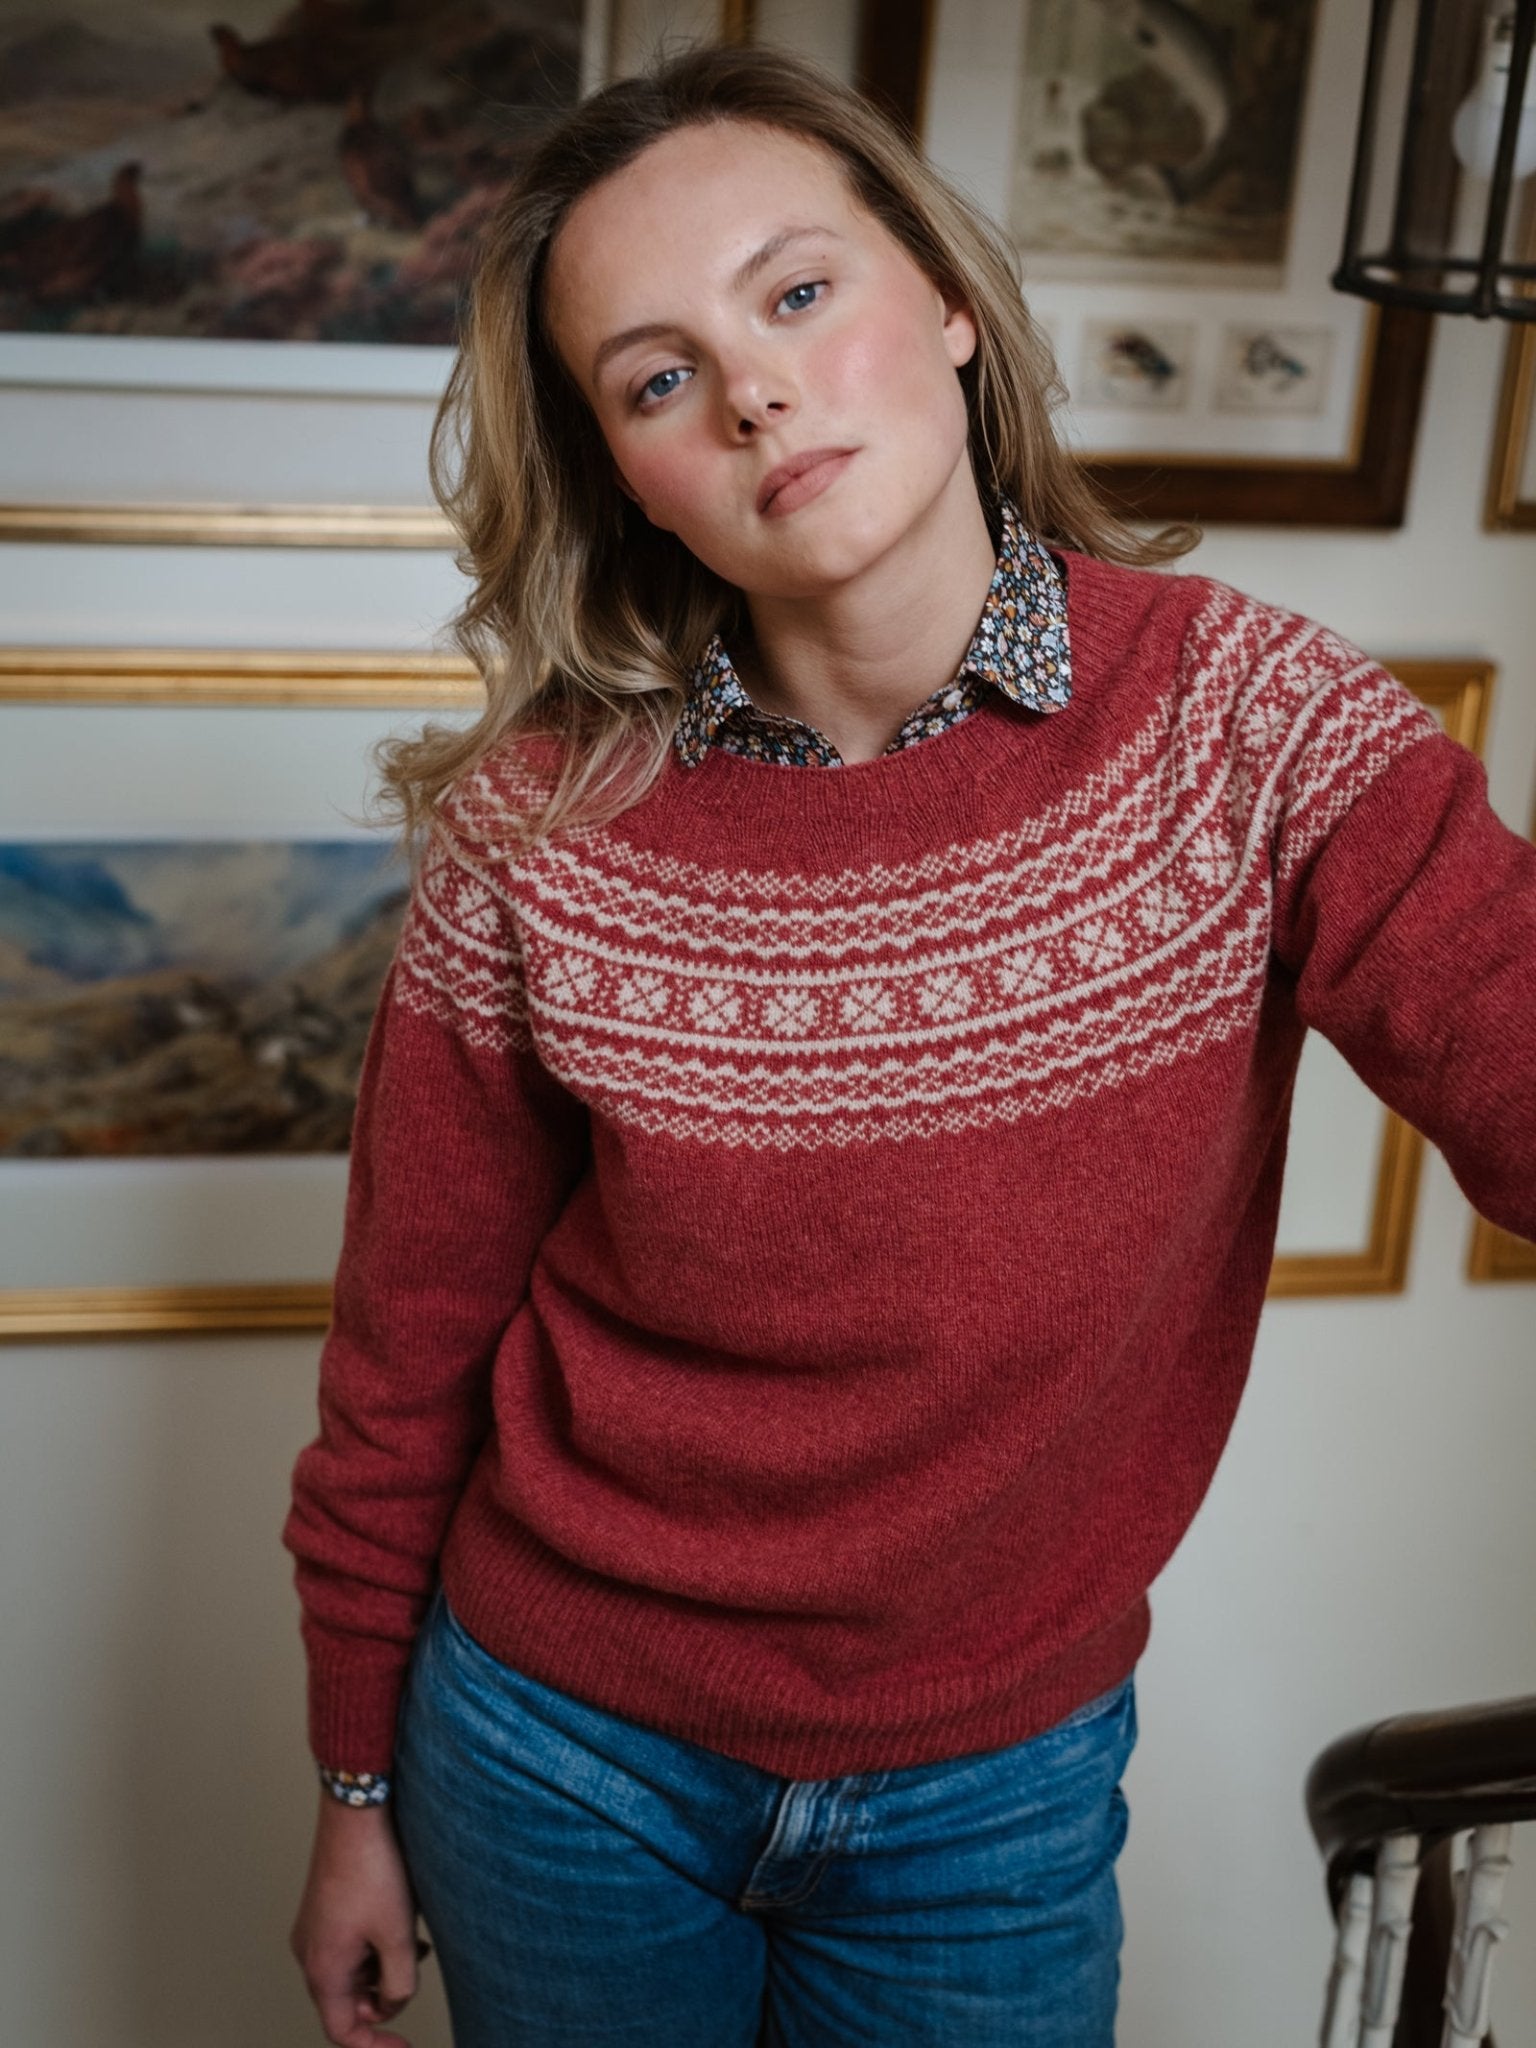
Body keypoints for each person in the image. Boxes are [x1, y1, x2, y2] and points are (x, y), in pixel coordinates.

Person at [281, 39, 1536, 2048]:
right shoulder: (538, 830)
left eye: (797, 293)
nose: (757, 386)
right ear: (625, 469)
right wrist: (355, 1785)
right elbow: (404, 1343)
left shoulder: (1256, 725)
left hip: (998, 1787)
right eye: (659, 375)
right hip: (555, 1755)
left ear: (947, 303)